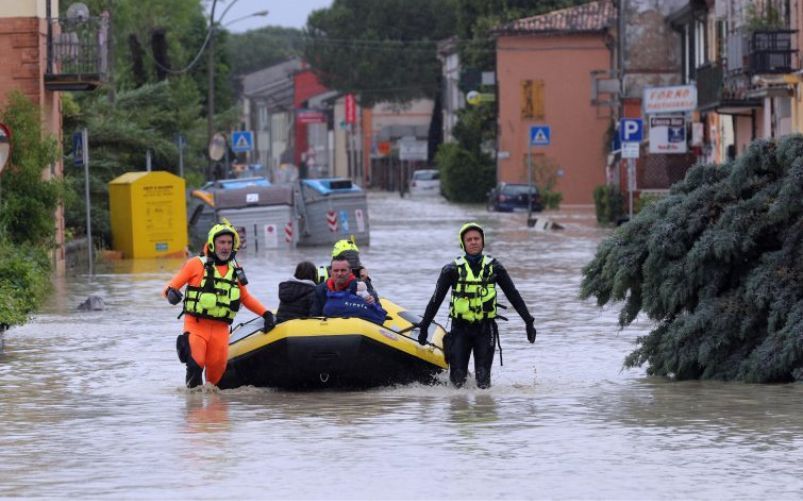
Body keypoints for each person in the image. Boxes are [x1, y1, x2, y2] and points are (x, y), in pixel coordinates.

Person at [416, 222, 537, 389]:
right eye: (469, 239)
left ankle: (484, 412)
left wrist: (528, 321)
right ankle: (459, 411)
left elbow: (513, 295)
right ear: (463, 243)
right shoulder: (450, 270)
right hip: (459, 330)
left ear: (483, 241)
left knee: (483, 380)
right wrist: (424, 326)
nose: (473, 242)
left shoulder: (495, 268)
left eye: (477, 239)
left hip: (485, 330)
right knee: (457, 379)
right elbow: (435, 300)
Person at [164, 221, 275, 388]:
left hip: (221, 331)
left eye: (229, 243)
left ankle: (214, 413)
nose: (225, 247)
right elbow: (170, 287)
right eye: (222, 242)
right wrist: (171, 294)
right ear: (212, 243)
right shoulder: (195, 264)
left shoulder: (236, 271)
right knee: (196, 364)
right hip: (196, 326)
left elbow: (246, 298)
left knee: (215, 380)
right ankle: (193, 408)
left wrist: (266, 314)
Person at [309, 255, 385, 324]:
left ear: (350, 271)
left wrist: (372, 301)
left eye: (343, 270)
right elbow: (314, 317)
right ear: (330, 272)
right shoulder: (320, 290)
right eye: (336, 270)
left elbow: (378, 312)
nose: (339, 274)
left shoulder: (362, 286)